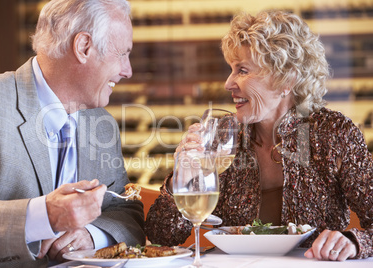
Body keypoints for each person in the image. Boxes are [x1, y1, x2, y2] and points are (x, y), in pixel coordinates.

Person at [145, 10, 373, 261]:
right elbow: (161, 237)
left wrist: (353, 241)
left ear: (286, 79)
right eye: (231, 70)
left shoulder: (333, 134)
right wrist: (182, 180)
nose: (228, 83)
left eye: (242, 70)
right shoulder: (222, 137)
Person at [0, 0, 145, 267]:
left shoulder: (102, 123)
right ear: (84, 47)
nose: (127, 70)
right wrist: (43, 217)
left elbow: (126, 211)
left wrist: (92, 235)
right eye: (122, 54)